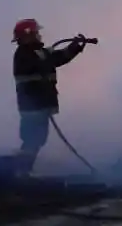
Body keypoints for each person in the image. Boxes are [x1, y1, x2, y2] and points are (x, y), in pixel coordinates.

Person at [12, 19, 87, 176]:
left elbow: (58, 58)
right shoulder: (23, 55)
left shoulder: (38, 53)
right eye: (36, 32)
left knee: (36, 140)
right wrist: (48, 58)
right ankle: (20, 172)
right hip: (32, 107)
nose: (39, 35)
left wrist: (74, 48)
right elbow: (44, 62)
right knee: (32, 140)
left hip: (40, 105)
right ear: (27, 35)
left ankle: (23, 170)